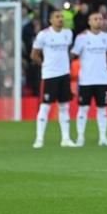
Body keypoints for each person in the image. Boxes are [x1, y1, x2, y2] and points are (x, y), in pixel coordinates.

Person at [71, 11, 107, 147]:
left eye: (100, 19)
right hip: (86, 79)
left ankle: (103, 137)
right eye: (95, 19)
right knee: (83, 109)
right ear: (89, 22)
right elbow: (73, 54)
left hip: (102, 79)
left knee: (103, 109)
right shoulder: (81, 38)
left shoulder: (106, 37)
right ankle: (80, 138)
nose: (98, 21)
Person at [31, 9, 73, 148]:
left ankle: (66, 139)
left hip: (64, 75)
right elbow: (34, 54)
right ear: (51, 20)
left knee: (64, 107)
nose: (60, 19)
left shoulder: (68, 34)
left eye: (61, 16)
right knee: (45, 107)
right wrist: (44, 64)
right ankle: (39, 139)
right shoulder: (44, 35)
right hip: (49, 76)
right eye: (57, 17)